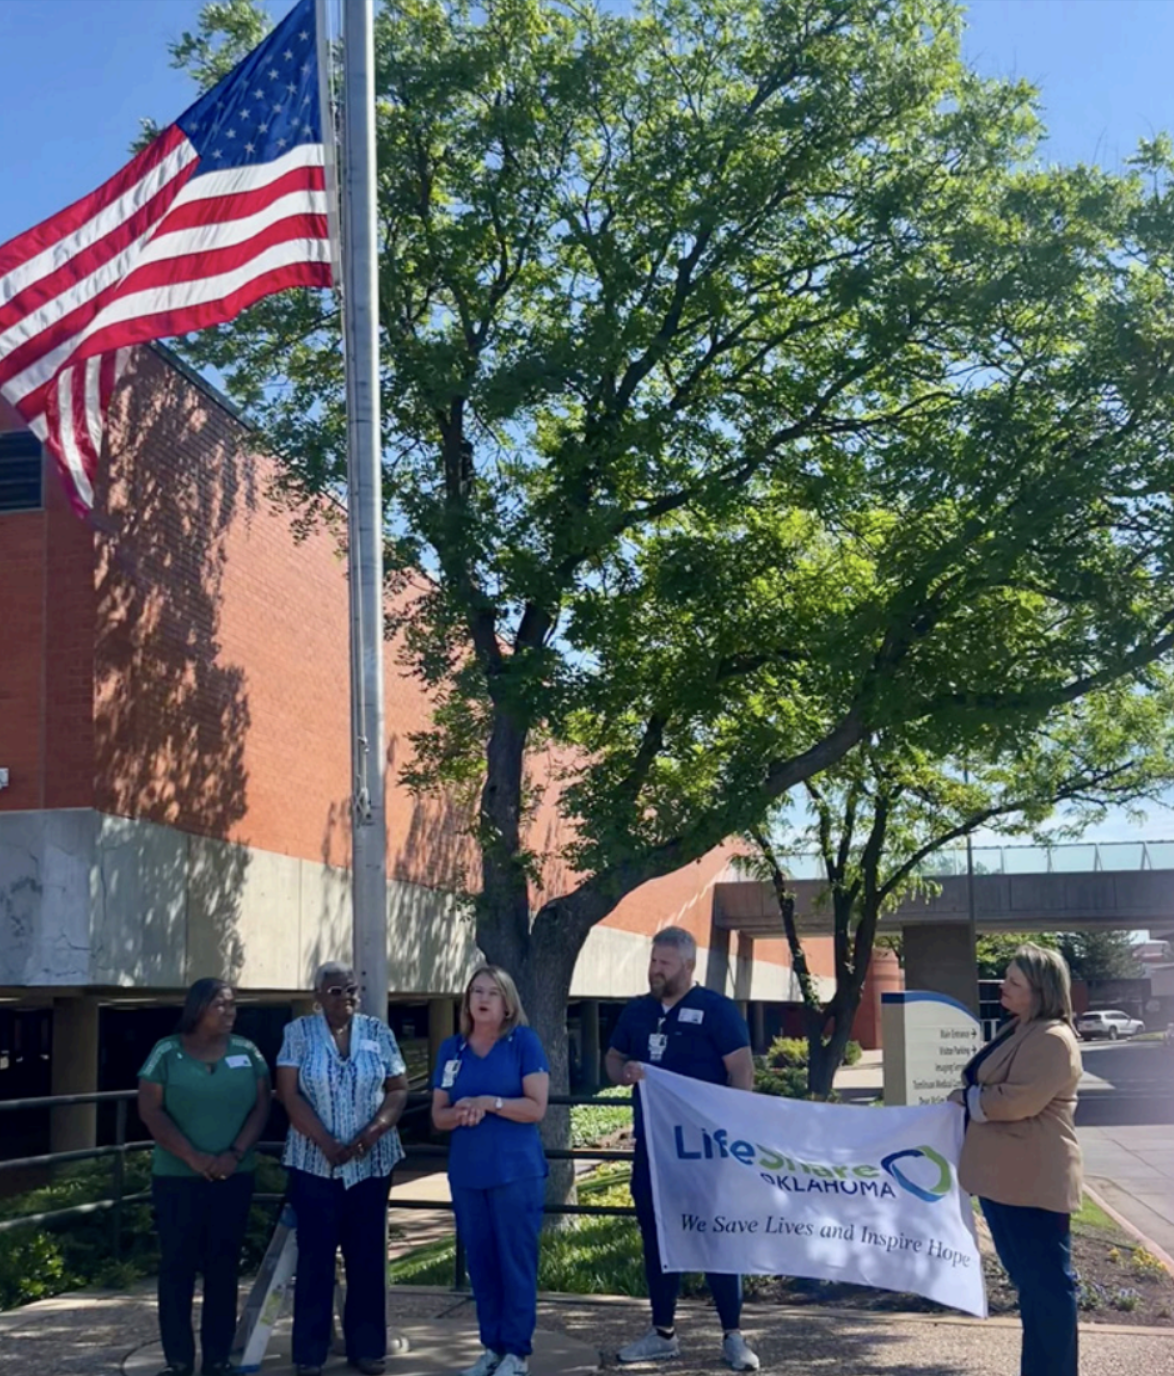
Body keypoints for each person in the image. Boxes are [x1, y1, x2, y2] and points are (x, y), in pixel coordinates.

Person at [605, 927, 759, 1372]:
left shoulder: (716, 1010)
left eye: (665, 963)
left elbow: (742, 1072)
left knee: (715, 1239)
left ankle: (732, 1334)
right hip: (653, 1152)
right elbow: (613, 1058)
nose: (655, 969)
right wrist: (624, 1072)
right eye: (653, 960)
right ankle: (662, 1332)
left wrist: (729, 1133)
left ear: (688, 966)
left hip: (704, 1153)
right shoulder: (638, 1012)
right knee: (658, 1239)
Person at [948, 943, 1083, 1376]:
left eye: (1013, 982)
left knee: (1047, 1290)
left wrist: (967, 1100)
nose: (1002, 986)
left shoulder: (1053, 1040)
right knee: (1034, 1290)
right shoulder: (1021, 1027)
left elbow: (1016, 1101)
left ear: (1040, 991)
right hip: (1006, 1183)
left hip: (1033, 1186)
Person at [276, 963, 409, 1376]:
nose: (346, 997)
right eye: (335, 991)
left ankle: (366, 1349)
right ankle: (309, 1354)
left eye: (352, 989)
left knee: (367, 1257)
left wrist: (373, 1132)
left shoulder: (378, 1032)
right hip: (314, 1164)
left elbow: (398, 1088)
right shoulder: (297, 1033)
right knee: (316, 1259)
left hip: (371, 1164)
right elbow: (288, 1092)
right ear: (317, 996)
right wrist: (325, 1142)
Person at [138, 978, 272, 1376]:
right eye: (221, 1005)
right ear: (198, 1007)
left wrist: (233, 1154)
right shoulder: (167, 1051)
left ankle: (217, 1357)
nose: (230, 1012)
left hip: (234, 1175)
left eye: (233, 1006)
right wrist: (193, 1157)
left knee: (223, 1266)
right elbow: (151, 1111)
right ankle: (178, 1358)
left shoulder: (248, 1052)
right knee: (177, 1266)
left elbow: (262, 1107)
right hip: (177, 1178)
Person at [431, 965, 549, 1376]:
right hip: (467, 1173)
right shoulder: (452, 1049)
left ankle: (517, 1352)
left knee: (514, 1260)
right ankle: (491, 1347)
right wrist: (460, 1111)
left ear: (508, 1003)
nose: (482, 1000)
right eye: (476, 992)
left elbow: (536, 1108)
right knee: (480, 1263)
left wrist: (490, 1102)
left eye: (492, 993)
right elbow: (438, 1116)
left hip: (515, 1172)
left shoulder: (523, 1043)